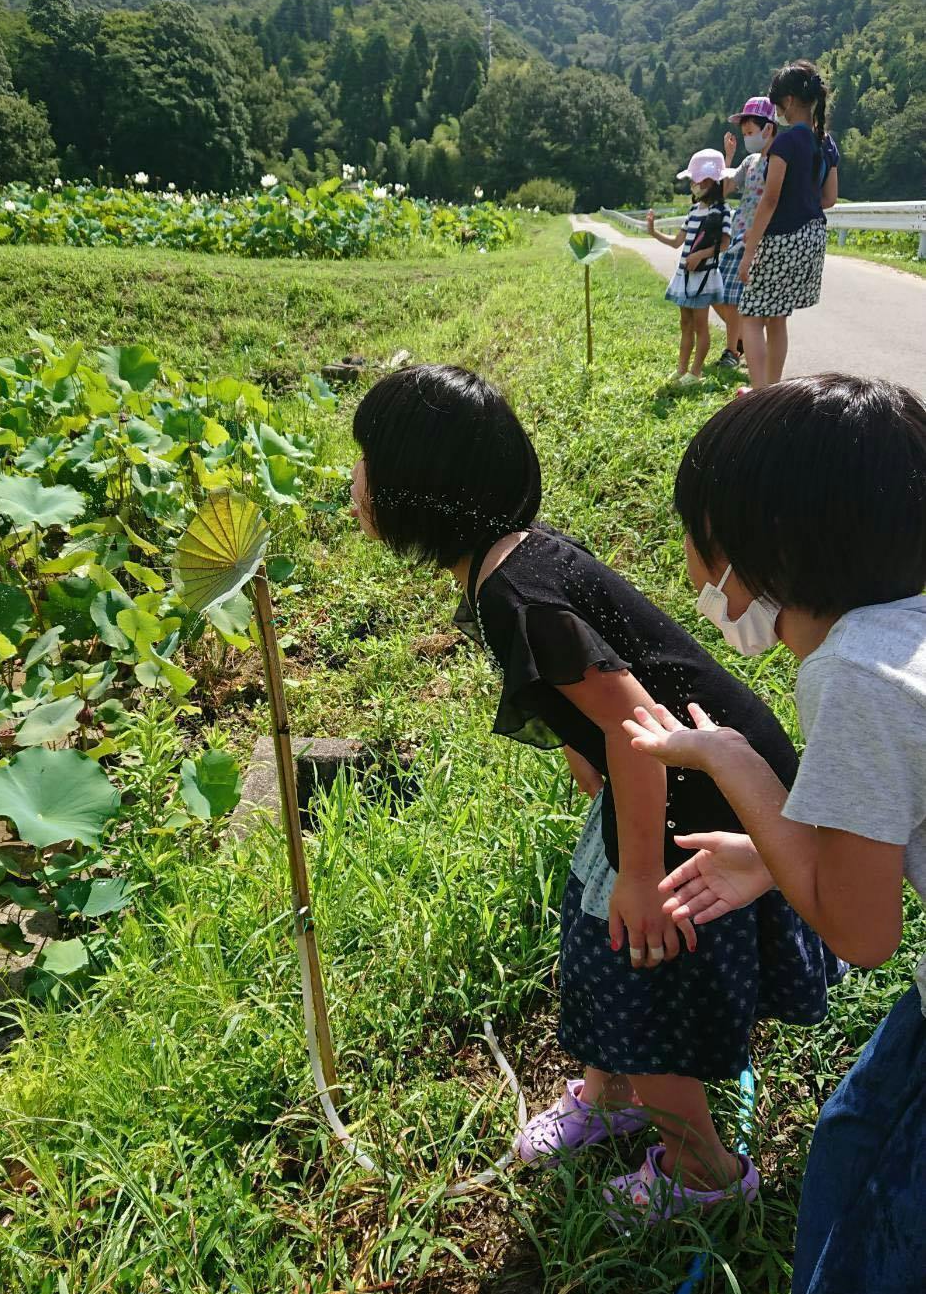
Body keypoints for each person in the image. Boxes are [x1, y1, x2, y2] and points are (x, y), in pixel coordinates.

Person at [349, 363, 840, 1225]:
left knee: (638, 968)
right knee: (596, 932)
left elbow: (634, 725)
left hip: (696, 789)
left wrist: (643, 875)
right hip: (673, 776)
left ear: (417, 484)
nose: (354, 486)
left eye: (365, 465)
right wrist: (604, 780)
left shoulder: (514, 595)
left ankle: (704, 1172)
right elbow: (604, 698)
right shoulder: (513, 555)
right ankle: (610, 1095)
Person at [622, 374, 926, 1294]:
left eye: (703, 543)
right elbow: (879, 831)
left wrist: (734, 767)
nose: (698, 573)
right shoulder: (903, 631)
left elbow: (858, 931)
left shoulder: (853, 675)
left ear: (769, 551)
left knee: (896, 1258)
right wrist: (771, 852)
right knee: (850, 1133)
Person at [737, 62, 839, 390]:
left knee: (751, 317)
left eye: (778, 104)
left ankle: (758, 396)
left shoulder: (784, 144)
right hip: (812, 237)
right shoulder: (825, 142)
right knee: (778, 316)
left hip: (781, 237)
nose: (777, 111)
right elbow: (829, 199)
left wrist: (748, 251)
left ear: (790, 101)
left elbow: (770, 200)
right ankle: (772, 389)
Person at [646, 148, 731, 384]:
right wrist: (653, 231)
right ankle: (681, 369)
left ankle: (696, 372)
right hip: (685, 275)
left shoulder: (723, 210)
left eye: (696, 180)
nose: (693, 184)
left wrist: (700, 255)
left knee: (701, 325)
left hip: (703, 276)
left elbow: (725, 243)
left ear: (710, 182)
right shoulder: (693, 210)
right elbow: (676, 242)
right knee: (685, 323)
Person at [714, 96, 777, 370]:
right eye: (745, 134)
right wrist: (728, 157)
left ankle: (734, 351)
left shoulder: (779, 161)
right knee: (720, 293)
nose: (747, 137)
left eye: (750, 132)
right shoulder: (750, 160)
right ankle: (740, 343)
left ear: (768, 128)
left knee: (743, 300)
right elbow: (724, 190)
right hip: (736, 235)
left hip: (759, 238)